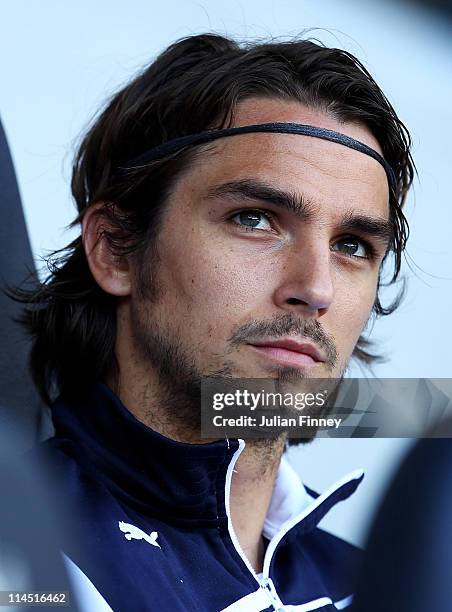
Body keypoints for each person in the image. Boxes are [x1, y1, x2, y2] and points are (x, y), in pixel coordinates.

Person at [15, 33, 414, 611]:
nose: (316, 288)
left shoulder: (378, 588)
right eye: (255, 219)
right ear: (116, 249)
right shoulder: (26, 557)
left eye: (352, 246)